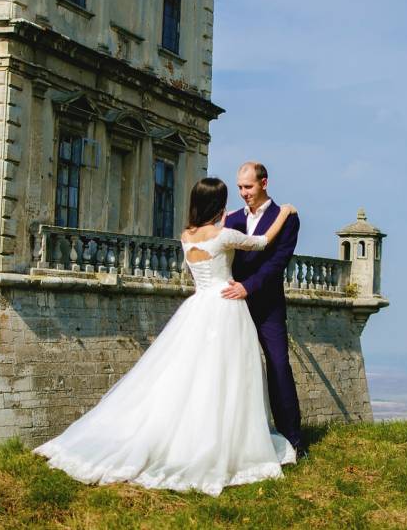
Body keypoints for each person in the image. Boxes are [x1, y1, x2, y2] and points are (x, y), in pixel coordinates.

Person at [33, 177, 298, 496]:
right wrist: (285, 212)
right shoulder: (224, 235)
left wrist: (221, 218)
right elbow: (263, 242)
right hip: (225, 306)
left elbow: (212, 240)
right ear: (219, 205)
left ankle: (193, 434)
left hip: (197, 306)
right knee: (226, 376)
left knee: (188, 375)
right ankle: (225, 438)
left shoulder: (187, 236)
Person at [221, 162, 305, 457]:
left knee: (279, 366)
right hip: (233, 304)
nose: (243, 192)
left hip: (268, 305)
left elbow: (278, 262)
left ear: (264, 183)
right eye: (240, 187)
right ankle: (237, 440)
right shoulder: (231, 219)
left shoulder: (287, 218)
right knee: (234, 368)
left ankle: (293, 440)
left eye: (248, 186)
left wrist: (248, 286)